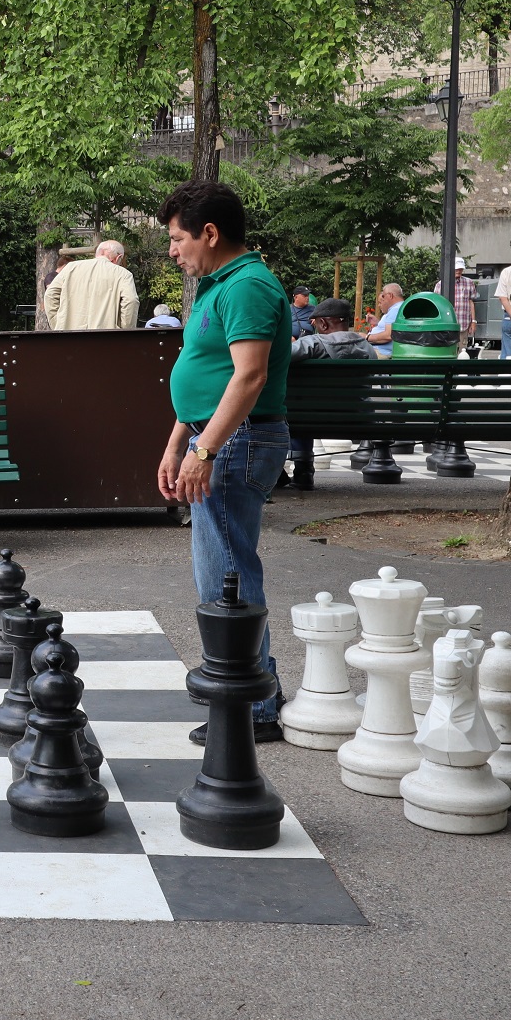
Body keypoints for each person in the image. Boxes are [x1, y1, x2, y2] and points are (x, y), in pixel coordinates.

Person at [153, 181, 290, 743]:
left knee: (227, 573)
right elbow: (204, 375)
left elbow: (250, 376)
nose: (171, 250)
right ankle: (255, 690)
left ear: (210, 234)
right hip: (218, 438)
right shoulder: (219, 286)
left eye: (177, 238)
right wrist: (178, 440)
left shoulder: (248, 286)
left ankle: (250, 707)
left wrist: (205, 449)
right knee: (221, 569)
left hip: (238, 442)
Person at [283, 297, 376, 490]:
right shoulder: (367, 347)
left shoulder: (312, 344)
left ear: (323, 323)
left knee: (289, 414)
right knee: (301, 412)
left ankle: (300, 471)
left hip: (309, 418)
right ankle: (301, 474)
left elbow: (278, 357)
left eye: (315, 323)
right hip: (358, 418)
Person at [42, 240, 139, 330]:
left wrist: (58, 324)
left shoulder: (70, 268)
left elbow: (50, 295)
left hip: (69, 338)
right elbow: (131, 301)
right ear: (118, 258)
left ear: (98, 253)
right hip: (107, 339)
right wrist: (126, 330)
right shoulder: (123, 274)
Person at [434, 257, 478, 347]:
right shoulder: (440, 285)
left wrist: (473, 321)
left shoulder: (469, 283)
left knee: (462, 351)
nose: (459, 271)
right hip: (446, 326)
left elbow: (471, 302)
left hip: (463, 324)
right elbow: (436, 305)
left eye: (460, 269)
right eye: (457, 269)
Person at [366, 282, 404, 357]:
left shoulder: (395, 309)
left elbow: (389, 335)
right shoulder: (400, 307)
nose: (382, 298)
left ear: (390, 295)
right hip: (378, 350)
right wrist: (378, 323)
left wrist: (366, 337)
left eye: (383, 296)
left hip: (380, 352)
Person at [495, 263, 511, 358]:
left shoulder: (507, 271)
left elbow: (502, 297)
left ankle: (506, 371)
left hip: (509, 317)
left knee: (508, 353)